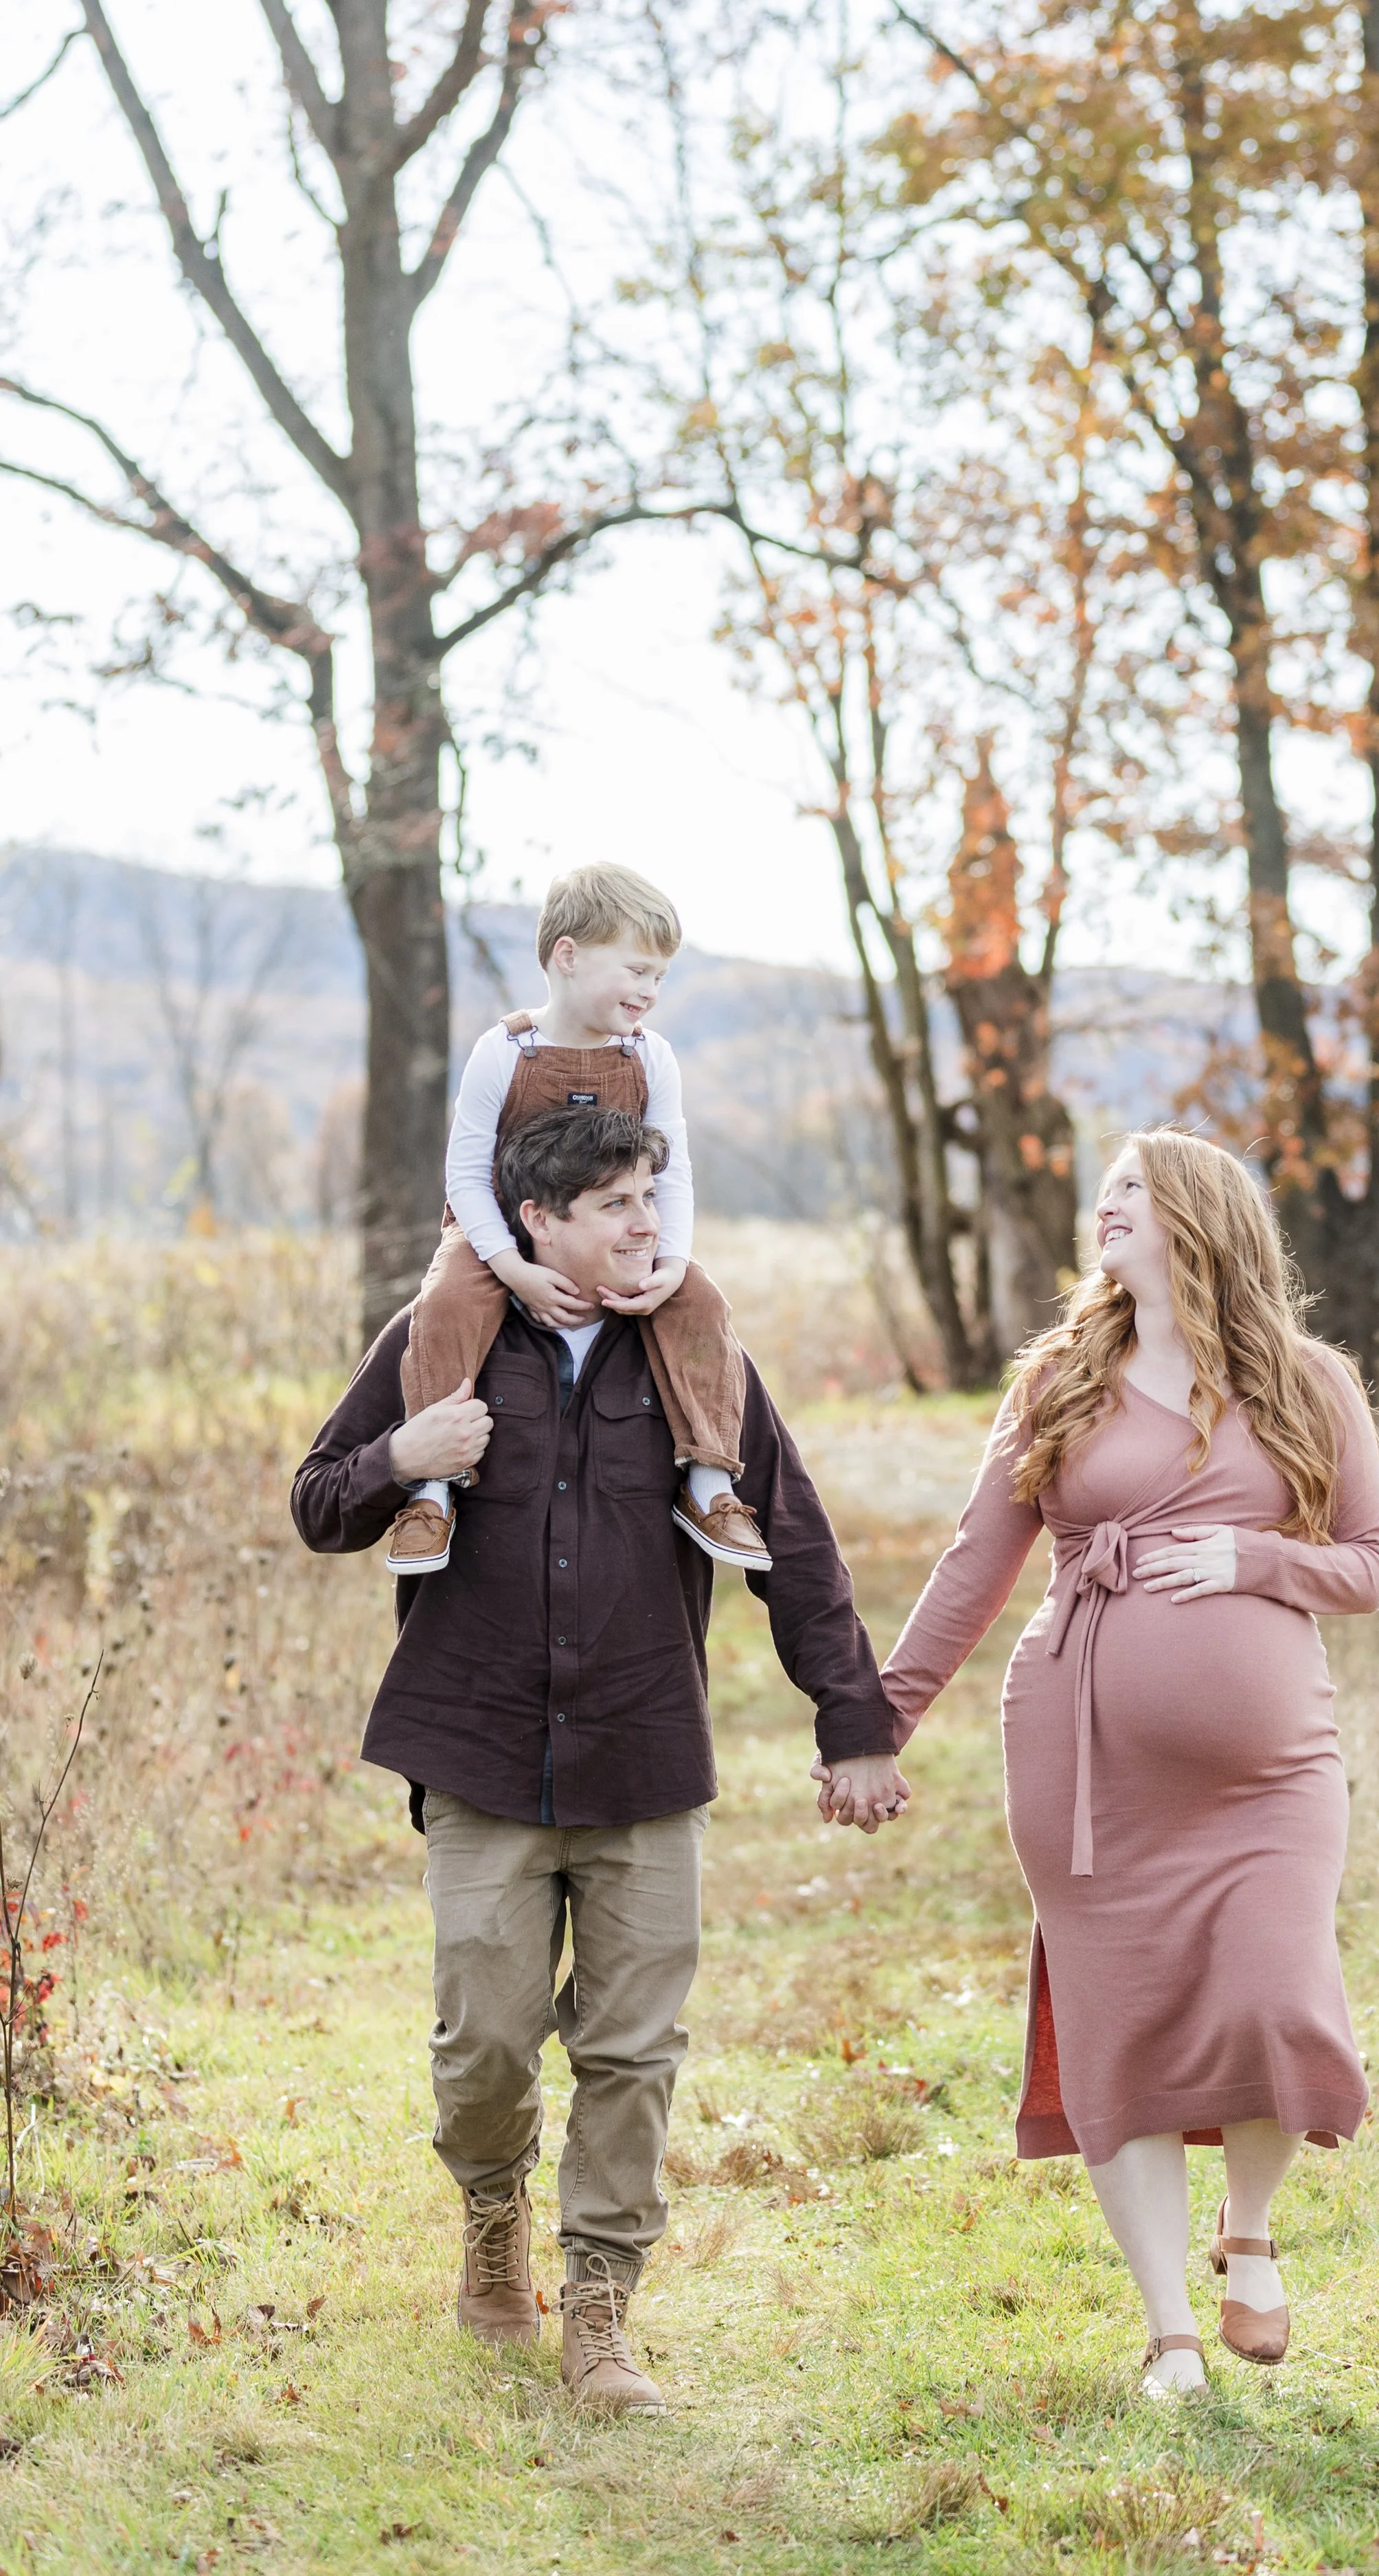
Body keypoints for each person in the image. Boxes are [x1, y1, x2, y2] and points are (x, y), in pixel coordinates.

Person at [290, 1105, 909, 2412]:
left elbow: (792, 1543)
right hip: (478, 1751)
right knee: (486, 2045)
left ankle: (602, 2307)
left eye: (654, 1198)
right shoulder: (436, 1342)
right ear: (540, 1221)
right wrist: (405, 1455)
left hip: (643, 1751)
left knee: (634, 2049)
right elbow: (317, 1497)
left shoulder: (694, 1355)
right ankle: (494, 2209)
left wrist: (853, 1725)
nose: (650, 1225)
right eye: (621, 1204)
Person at [867, 1128, 1379, 2395]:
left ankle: (1250, 2231)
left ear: (1200, 1220)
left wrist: (1255, 1560)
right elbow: (974, 1565)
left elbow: (1370, 1565)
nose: (1101, 1211)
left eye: (1130, 1195)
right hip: (1084, 1759)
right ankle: (1169, 2333)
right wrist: (877, 1721)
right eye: (1100, 1194)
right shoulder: (1058, 1377)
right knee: (1122, 2030)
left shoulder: (1310, 1383)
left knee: (1278, 1993)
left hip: (1269, 1775)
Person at [386, 860, 769, 1579]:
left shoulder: (650, 1057)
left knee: (701, 1304)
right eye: (637, 971)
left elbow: (673, 1168)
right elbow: (466, 1174)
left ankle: (710, 1482)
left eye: (660, 978)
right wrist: (510, 1267)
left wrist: (673, 1264)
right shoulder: (505, 1051)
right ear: (567, 956)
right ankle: (430, 1493)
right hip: (496, 1232)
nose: (650, 992)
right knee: (444, 1303)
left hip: (614, 1232)